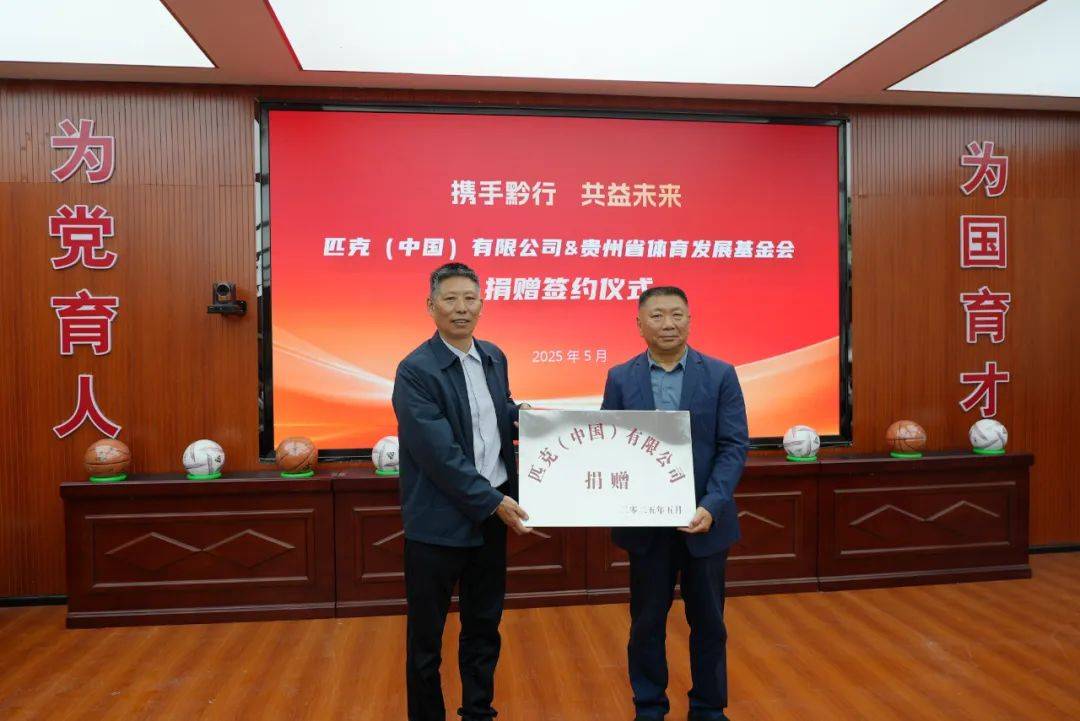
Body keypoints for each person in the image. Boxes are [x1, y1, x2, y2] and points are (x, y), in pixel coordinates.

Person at [601, 286, 750, 721]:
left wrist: (712, 505)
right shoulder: (620, 378)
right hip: (646, 526)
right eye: (658, 316)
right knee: (646, 623)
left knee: (709, 623)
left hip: (705, 522)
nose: (668, 324)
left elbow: (733, 445)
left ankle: (708, 708)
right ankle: (649, 706)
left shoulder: (720, 374)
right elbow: (608, 445)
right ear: (639, 324)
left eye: (677, 315)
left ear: (690, 319)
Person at [392, 262, 531, 721]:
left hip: (492, 518)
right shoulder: (415, 370)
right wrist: (492, 501)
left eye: (470, 298)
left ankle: (478, 711)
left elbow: (497, 413)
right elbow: (440, 455)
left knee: (484, 626)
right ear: (430, 306)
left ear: (482, 304)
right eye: (450, 299)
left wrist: (535, 420)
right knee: (426, 640)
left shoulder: (493, 356)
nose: (461, 308)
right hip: (438, 523)